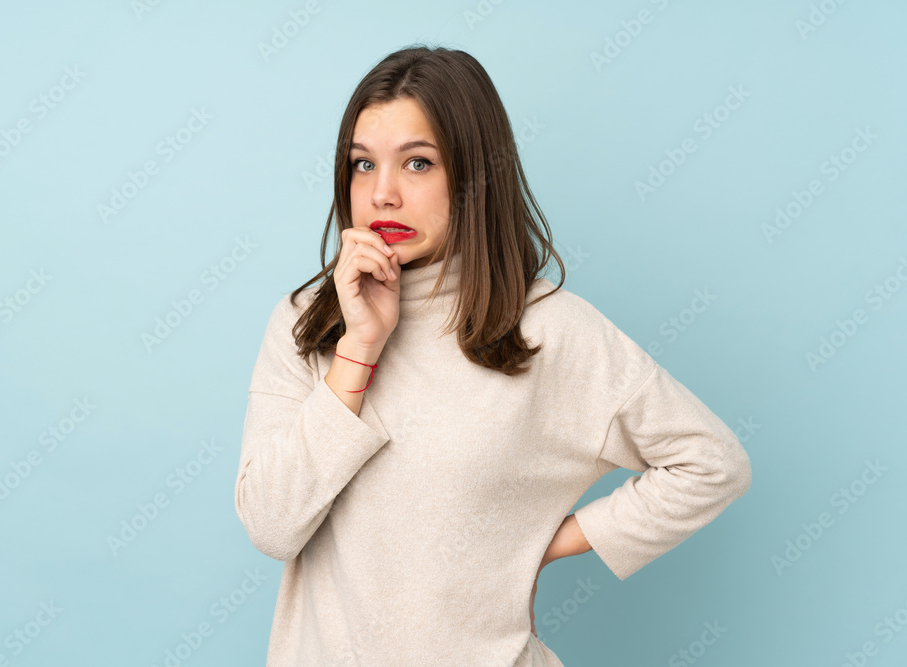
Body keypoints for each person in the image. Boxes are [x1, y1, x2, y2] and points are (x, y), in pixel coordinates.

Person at [234, 43, 752, 666]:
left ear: (476, 173)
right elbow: (271, 524)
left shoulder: (550, 331)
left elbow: (711, 462)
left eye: (419, 163)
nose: (384, 194)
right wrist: (359, 350)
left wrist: (552, 542)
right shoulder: (305, 322)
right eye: (363, 165)